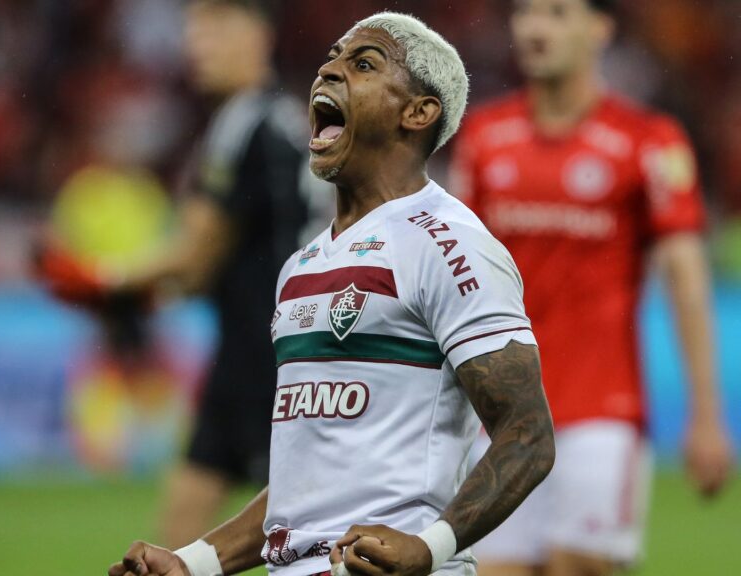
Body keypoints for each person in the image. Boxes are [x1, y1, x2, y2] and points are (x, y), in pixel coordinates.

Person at [109, 11, 556, 576]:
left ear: (417, 113)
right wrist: (192, 563)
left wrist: (429, 547)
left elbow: (528, 433)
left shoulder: (449, 245)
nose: (329, 72)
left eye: (363, 64)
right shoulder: (301, 266)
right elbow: (303, 483)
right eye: (331, 59)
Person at [448, 1, 735, 575]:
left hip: (600, 413)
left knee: (578, 564)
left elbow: (685, 278)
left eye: (557, 13)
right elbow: (451, 276)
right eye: (527, 13)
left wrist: (706, 414)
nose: (536, 28)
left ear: (599, 28)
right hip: (498, 415)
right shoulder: (483, 137)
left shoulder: (648, 142)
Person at [144, 0, 317, 548]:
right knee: (188, 531)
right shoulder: (292, 119)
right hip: (281, 345)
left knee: (298, 540)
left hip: (264, 358)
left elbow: (194, 259)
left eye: (216, 26)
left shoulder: (243, 121)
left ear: (259, 34)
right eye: (194, 29)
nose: (198, 43)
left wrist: (105, 278)